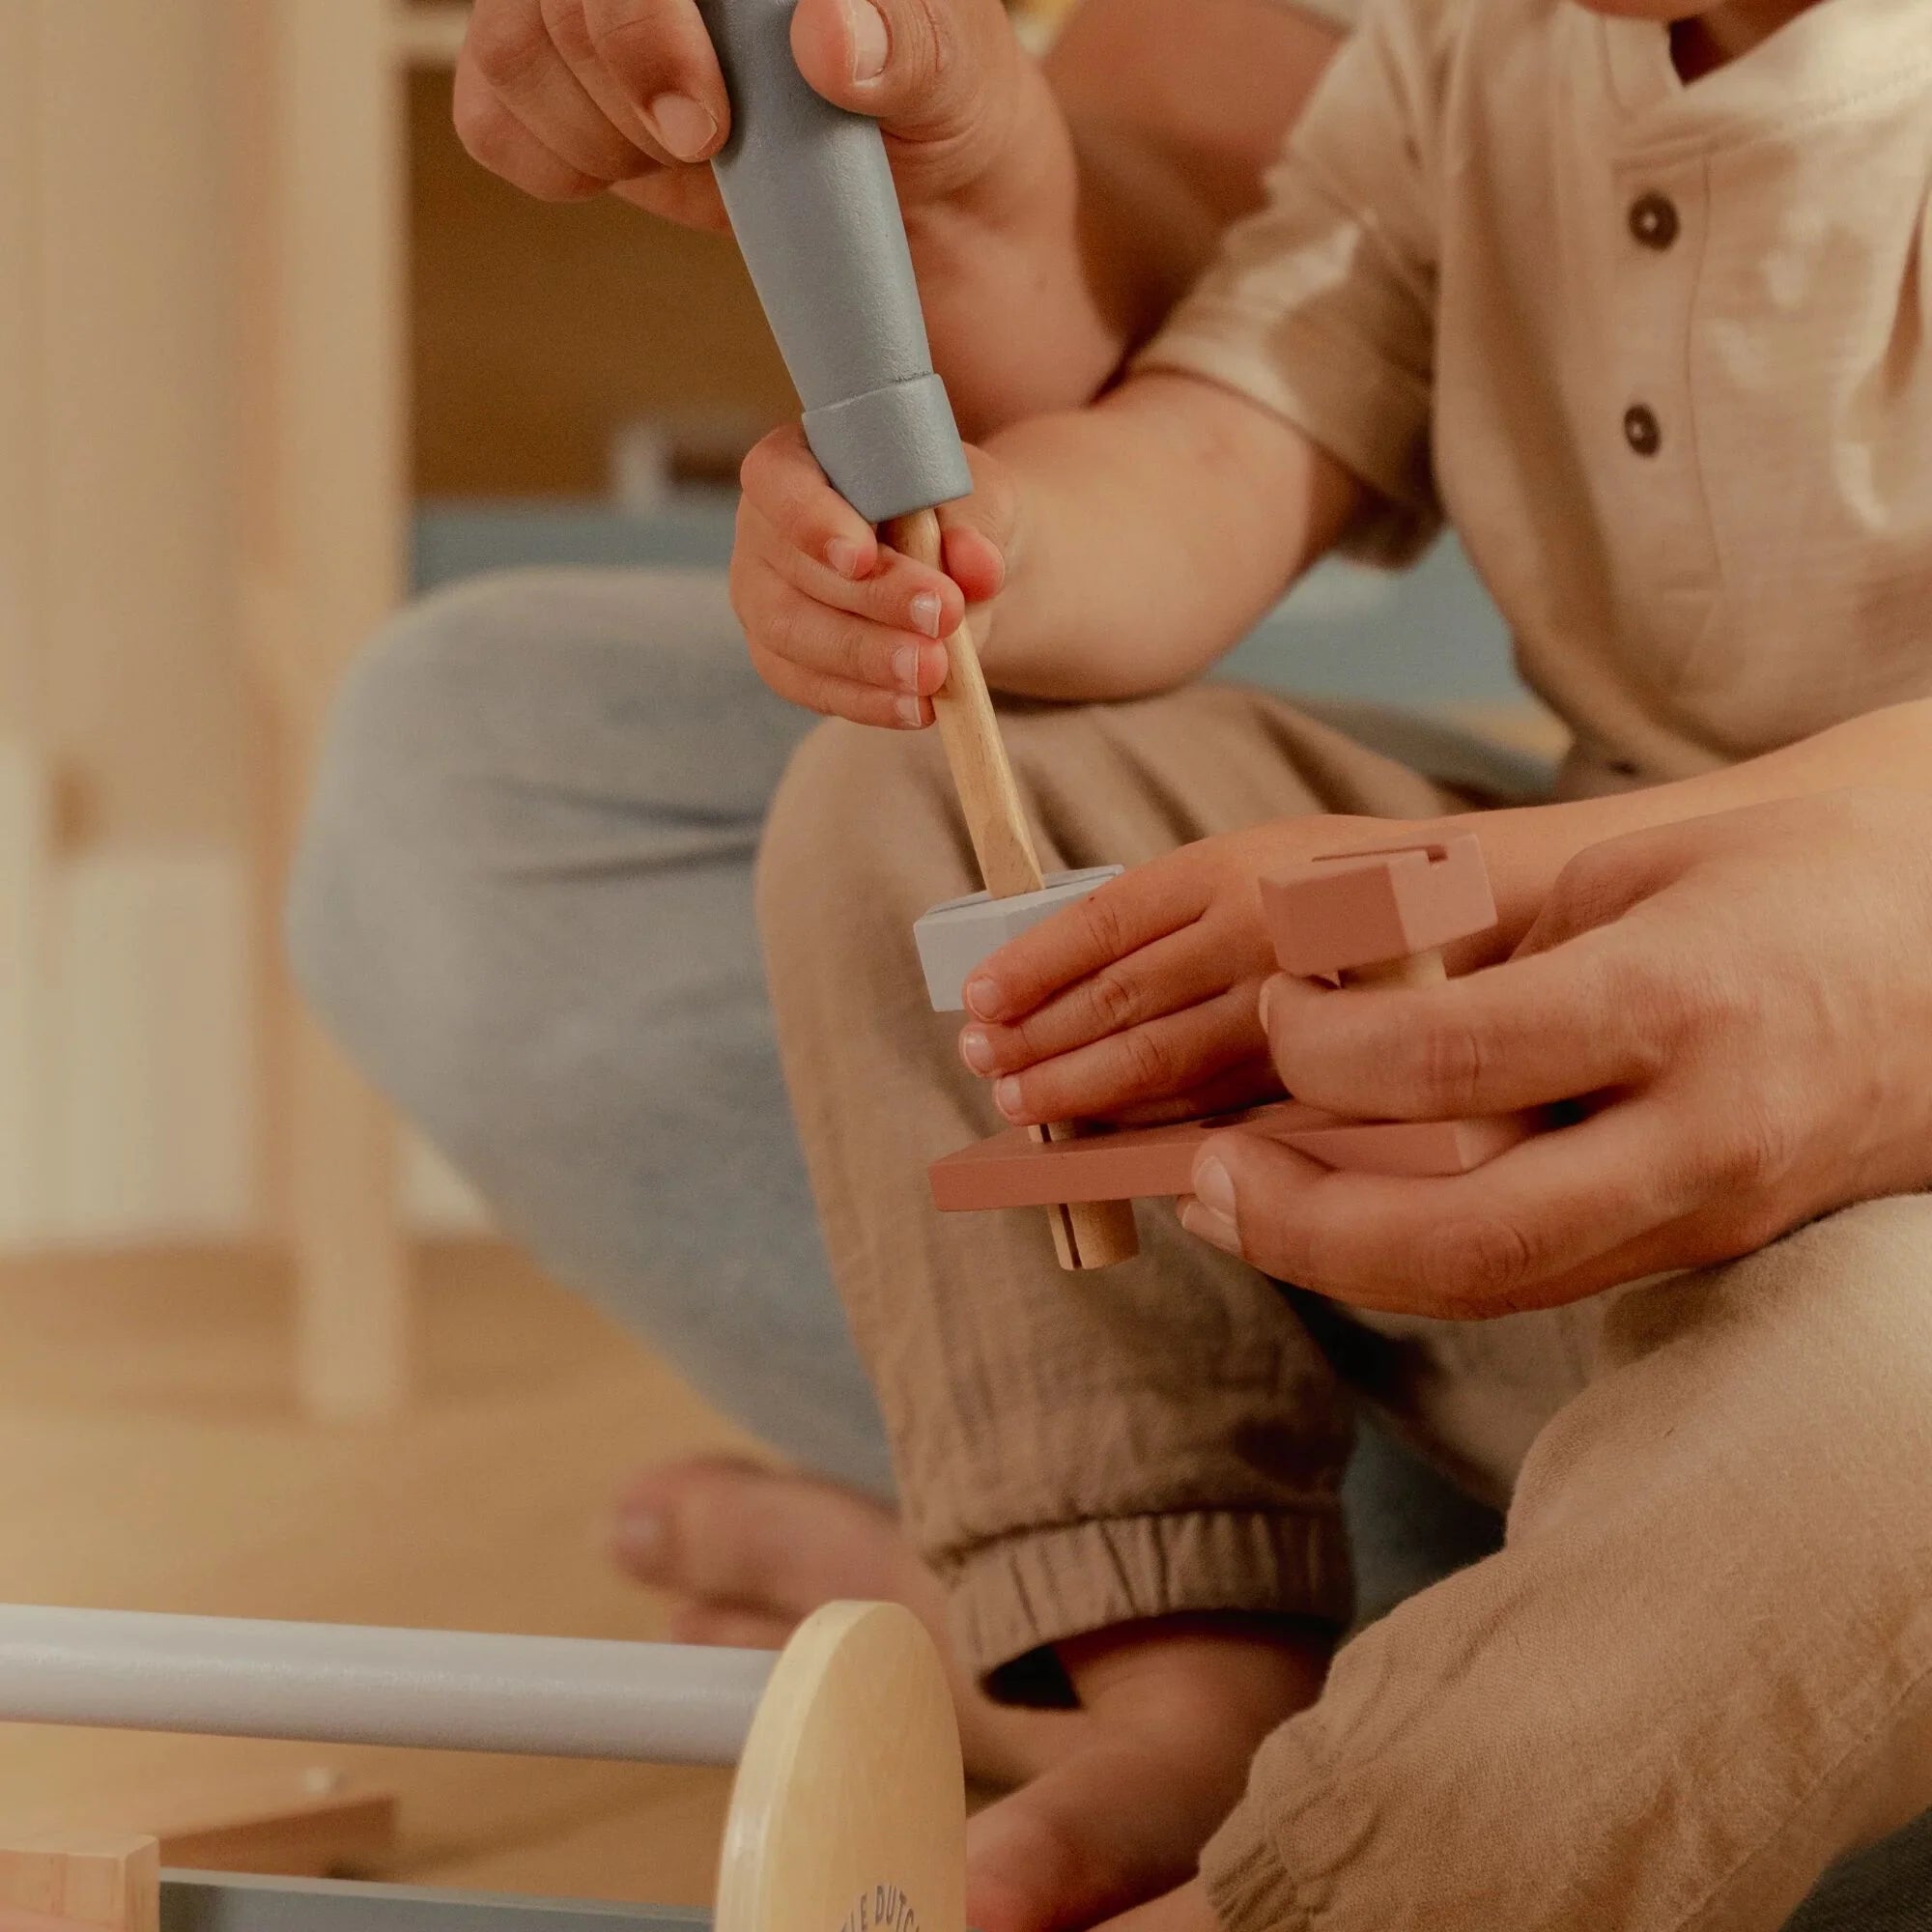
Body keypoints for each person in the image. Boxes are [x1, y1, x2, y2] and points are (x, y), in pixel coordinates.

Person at [289, 0, 1932, 1928]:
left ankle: (1381, 1845)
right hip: (1529, 1092)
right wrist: (982, 545)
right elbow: (1226, 439)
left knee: (1871, 1420)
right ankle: (1179, 1686)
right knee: (904, 797)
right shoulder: (1457, 60)